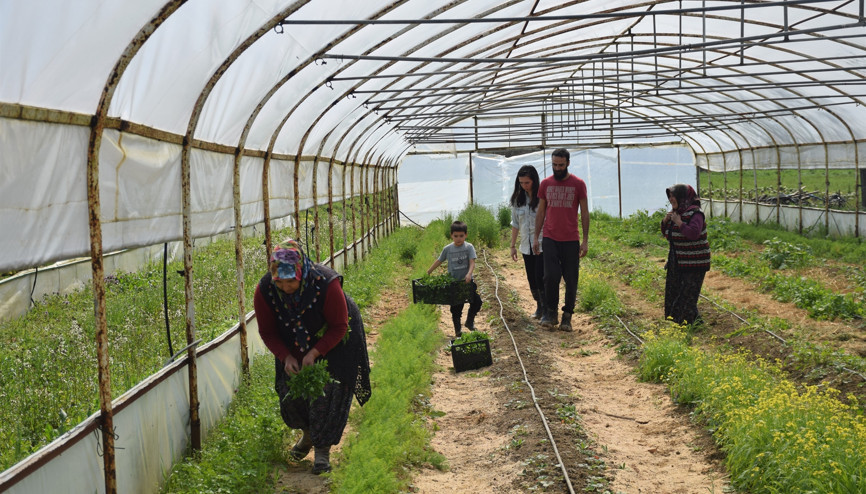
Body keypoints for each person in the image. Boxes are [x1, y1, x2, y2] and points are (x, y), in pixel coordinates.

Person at [254, 239, 372, 475]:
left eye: (291, 281)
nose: (286, 287)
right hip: (292, 342)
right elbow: (267, 331)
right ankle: (308, 434)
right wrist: (286, 356)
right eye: (281, 282)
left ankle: (322, 450)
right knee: (291, 391)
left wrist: (315, 352)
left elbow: (339, 325)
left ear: (302, 271)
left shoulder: (325, 284)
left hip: (336, 339)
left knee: (328, 390)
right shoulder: (265, 290)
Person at [532, 148, 589, 332]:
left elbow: (585, 212)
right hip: (550, 237)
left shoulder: (578, 184)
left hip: (571, 239)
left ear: (568, 164)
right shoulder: (546, 184)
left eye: (561, 165)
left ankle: (567, 316)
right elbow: (541, 212)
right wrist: (536, 236)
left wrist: (585, 239)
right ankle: (550, 313)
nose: (557, 168)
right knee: (550, 276)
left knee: (571, 278)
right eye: (555, 164)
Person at [660, 184, 711, 325]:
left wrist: (680, 223)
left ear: (682, 197)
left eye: (673, 196)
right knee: (675, 291)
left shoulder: (696, 214)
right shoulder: (677, 213)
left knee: (687, 294)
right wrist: (665, 222)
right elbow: (668, 234)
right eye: (669, 196)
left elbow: (694, 234)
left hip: (695, 262)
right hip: (678, 260)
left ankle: (685, 323)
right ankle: (685, 322)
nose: (670, 199)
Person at [426, 220, 483, 337]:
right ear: (451, 235)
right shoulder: (448, 249)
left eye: (461, 236)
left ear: (466, 235)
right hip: (454, 284)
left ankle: (469, 322)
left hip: (467, 282)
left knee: (477, 302)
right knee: (456, 308)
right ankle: (458, 330)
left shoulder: (469, 247)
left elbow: (472, 262)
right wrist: (429, 271)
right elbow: (439, 260)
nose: (458, 239)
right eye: (456, 236)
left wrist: (469, 273)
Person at [509, 165, 545, 319]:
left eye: (527, 183)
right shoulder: (518, 200)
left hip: (543, 244)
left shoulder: (543, 198)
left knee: (541, 276)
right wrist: (512, 246)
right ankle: (539, 306)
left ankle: (547, 308)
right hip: (526, 246)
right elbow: (515, 224)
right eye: (521, 183)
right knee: (531, 277)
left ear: (534, 181)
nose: (524, 186)